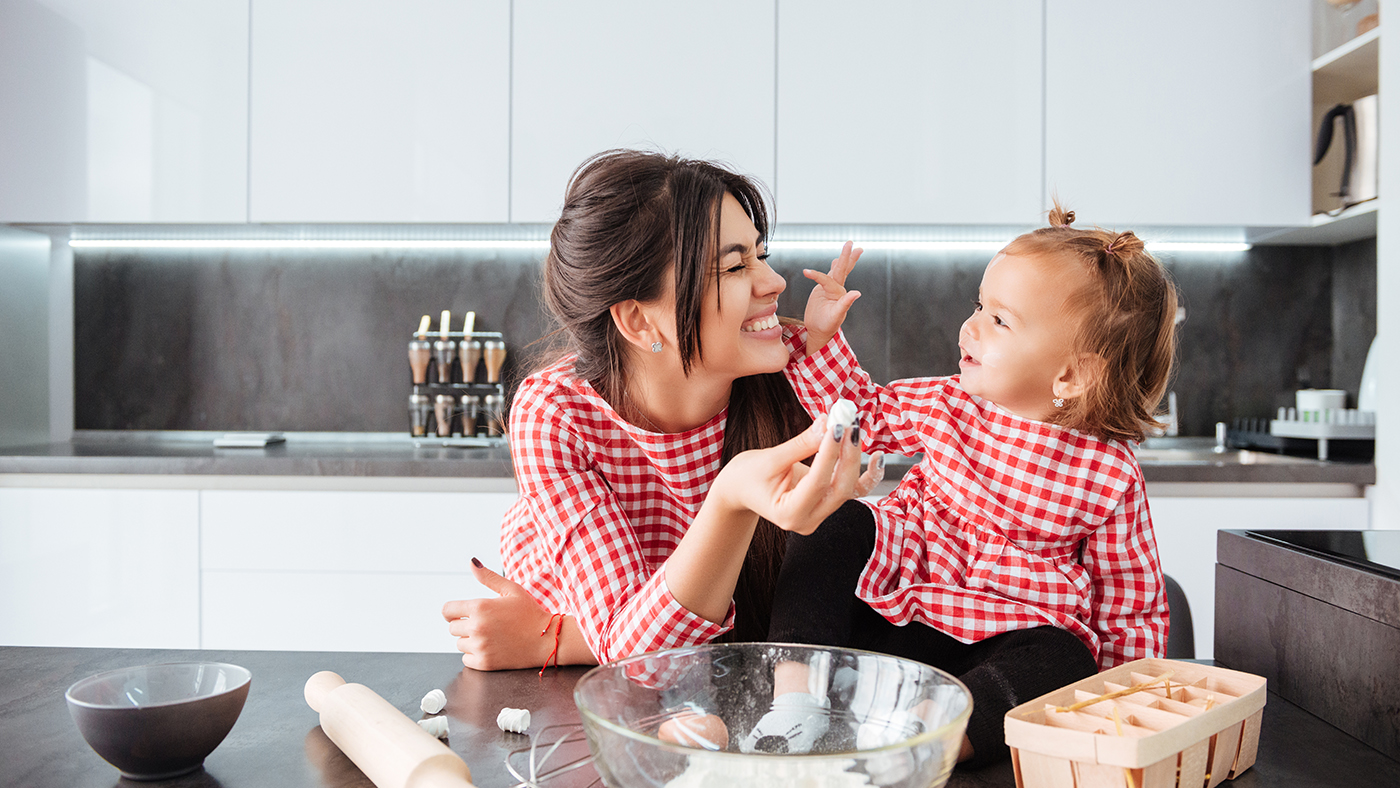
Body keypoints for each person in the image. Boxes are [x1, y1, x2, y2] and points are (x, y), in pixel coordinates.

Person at [741, 204, 1177, 767]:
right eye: (979, 306)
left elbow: (1130, 605)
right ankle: (796, 703)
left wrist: (1124, 705)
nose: (969, 326)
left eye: (1000, 321)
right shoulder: (950, 403)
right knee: (839, 521)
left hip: (996, 645)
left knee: (1068, 654)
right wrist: (822, 338)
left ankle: (924, 742)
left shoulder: (1110, 473)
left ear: (1071, 375)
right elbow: (862, 413)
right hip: (898, 604)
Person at [440, 149, 881, 670]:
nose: (774, 283)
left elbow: (818, 613)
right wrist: (731, 497)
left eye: (761, 255)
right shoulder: (557, 414)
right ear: (640, 321)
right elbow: (633, 659)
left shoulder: (800, 369)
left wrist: (550, 639)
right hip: (600, 702)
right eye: (736, 265)